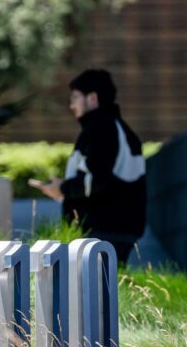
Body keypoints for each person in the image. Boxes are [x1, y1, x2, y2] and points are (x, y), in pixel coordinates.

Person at [32, 69, 146, 264]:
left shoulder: (102, 128)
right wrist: (63, 188)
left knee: (97, 284)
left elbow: (95, 179)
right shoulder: (117, 128)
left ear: (92, 98)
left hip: (103, 233)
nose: (71, 105)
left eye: (75, 97)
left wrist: (62, 188)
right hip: (115, 232)